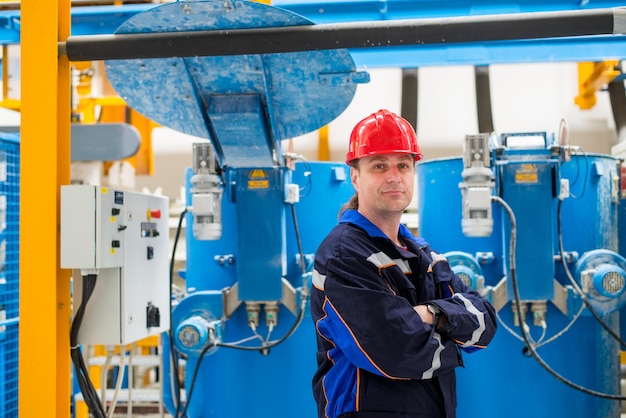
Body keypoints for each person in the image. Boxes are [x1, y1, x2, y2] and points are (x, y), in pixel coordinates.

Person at [310, 109, 497, 418]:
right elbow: (394, 352)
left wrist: (430, 314)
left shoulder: (422, 253)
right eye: (379, 166)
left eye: (403, 165)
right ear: (355, 176)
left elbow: (485, 321)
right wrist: (453, 339)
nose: (394, 176)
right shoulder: (344, 253)